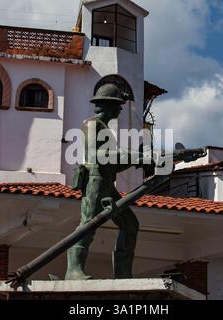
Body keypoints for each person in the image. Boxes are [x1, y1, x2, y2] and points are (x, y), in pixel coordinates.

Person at [65, 83, 141, 280]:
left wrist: (139, 159)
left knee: (130, 224)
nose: (120, 108)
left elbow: (113, 163)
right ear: (107, 105)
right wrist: (134, 156)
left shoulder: (105, 129)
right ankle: (73, 271)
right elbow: (96, 154)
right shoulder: (92, 124)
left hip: (107, 180)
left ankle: (123, 274)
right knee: (88, 225)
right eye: (118, 104)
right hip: (95, 180)